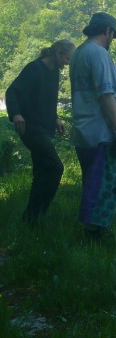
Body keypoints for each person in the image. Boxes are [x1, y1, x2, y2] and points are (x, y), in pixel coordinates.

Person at [69, 12, 116, 241]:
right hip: (102, 133)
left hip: (84, 131)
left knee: (92, 183)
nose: (112, 39)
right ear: (108, 31)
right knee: (105, 184)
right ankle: (95, 234)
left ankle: (90, 230)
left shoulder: (78, 53)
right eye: (113, 35)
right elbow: (106, 95)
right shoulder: (99, 54)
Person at [5, 39, 75, 224]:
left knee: (42, 171)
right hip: (30, 127)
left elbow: (47, 100)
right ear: (57, 54)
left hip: (44, 127)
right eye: (67, 59)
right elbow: (12, 92)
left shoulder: (54, 73)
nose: (67, 63)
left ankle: (31, 219)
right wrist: (16, 114)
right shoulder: (34, 68)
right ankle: (37, 213)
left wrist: (55, 118)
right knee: (56, 167)